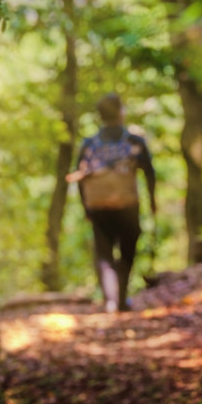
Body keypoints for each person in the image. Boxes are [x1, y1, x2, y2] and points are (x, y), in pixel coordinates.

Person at [67, 93, 157, 313]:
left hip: (98, 207)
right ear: (120, 112)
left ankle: (110, 300)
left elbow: (81, 177)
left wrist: (85, 206)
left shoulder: (90, 144)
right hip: (127, 205)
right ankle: (121, 299)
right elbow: (149, 172)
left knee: (104, 253)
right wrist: (153, 201)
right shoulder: (133, 141)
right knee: (127, 251)